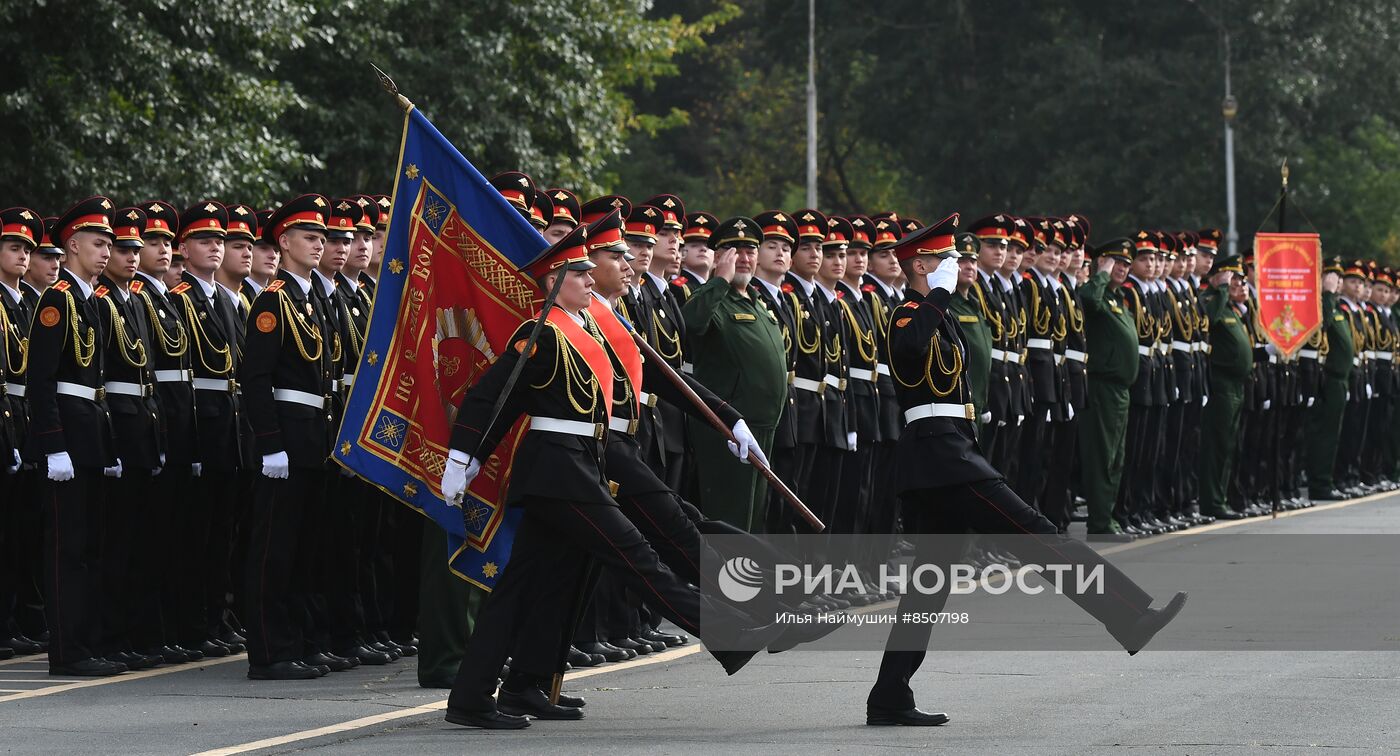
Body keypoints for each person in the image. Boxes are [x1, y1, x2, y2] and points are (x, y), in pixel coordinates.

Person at [438, 219, 783, 730]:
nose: (590, 280)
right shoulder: (542, 334)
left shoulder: (593, 328)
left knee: (533, 582)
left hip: (585, 462)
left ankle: (503, 689)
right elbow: (494, 397)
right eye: (578, 273)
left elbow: (660, 377)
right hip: (557, 471)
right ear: (556, 279)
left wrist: (727, 417)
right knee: (636, 557)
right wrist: (464, 456)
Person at [866, 215, 1186, 727]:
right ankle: (1130, 617)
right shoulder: (909, 313)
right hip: (940, 457)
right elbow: (906, 351)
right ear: (920, 266)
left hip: (947, 452)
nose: (958, 267)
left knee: (930, 584)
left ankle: (888, 694)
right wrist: (938, 297)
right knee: (1039, 535)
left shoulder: (937, 312)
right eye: (947, 260)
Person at [240, 194, 338, 680]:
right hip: (286, 438)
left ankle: (297, 642)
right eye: (309, 237)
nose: (319, 244)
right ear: (284, 242)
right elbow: (254, 378)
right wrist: (270, 442)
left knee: (305, 549)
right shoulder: (273, 300)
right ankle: (269, 652)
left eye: (322, 237)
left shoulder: (313, 299)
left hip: (314, 438)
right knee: (274, 549)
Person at [26, 197, 121, 676]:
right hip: (67, 436)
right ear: (73, 245)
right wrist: (53, 443)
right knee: (67, 549)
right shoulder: (58, 299)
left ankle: (86, 642)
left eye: (109, 244)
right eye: (98, 243)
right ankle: (67, 650)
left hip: (89, 437)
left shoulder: (88, 299)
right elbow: (41, 379)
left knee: (88, 548)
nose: (106, 252)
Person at [682, 216, 786, 532]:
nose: (743, 257)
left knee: (753, 514)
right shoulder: (713, 297)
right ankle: (723, 580)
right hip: (729, 426)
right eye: (733, 250)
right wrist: (720, 280)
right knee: (729, 514)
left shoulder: (757, 302)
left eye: (750, 250)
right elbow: (692, 323)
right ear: (718, 256)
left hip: (764, 424)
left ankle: (746, 578)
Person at [1078, 239, 1143, 541]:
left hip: (1121, 389)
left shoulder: (1119, 299)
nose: (1122, 268)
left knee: (1117, 457)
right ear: (1103, 263)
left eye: (1126, 264)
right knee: (1103, 457)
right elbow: (1088, 299)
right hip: (1103, 386)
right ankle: (1100, 523)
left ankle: (1108, 518)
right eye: (1115, 262)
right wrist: (1100, 274)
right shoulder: (1099, 293)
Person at [1197, 255, 1254, 520]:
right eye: (1233, 279)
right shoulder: (1213, 300)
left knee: (1228, 446)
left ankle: (1220, 498)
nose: (1239, 284)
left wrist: (1267, 352)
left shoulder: (1234, 310)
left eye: (1241, 280)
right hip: (1221, 384)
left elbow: (1239, 351)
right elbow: (1209, 320)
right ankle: (1212, 501)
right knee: (1217, 446)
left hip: (1237, 385)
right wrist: (1219, 289)